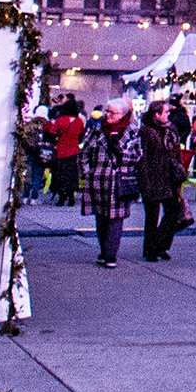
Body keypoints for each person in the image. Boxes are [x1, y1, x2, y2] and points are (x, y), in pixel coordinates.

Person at [78, 97, 144, 268]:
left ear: (123, 114)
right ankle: (104, 250)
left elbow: (138, 156)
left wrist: (120, 153)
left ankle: (110, 255)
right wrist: (87, 171)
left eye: (112, 112)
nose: (107, 115)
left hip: (119, 181)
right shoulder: (97, 130)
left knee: (116, 219)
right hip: (98, 180)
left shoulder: (133, 132)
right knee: (101, 219)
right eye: (107, 111)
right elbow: (84, 152)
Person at [137, 100, 188, 262]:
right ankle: (150, 249)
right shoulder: (146, 132)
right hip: (153, 176)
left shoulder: (170, 129)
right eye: (165, 112)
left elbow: (176, 151)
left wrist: (180, 172)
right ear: (156, 114)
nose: (168, 115)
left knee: (173, 211)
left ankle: (161, 245)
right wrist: (144, 181)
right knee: (152, 215)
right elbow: (142, 158)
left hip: (170, 176)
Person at [48, 99, 85, 206]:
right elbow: (81, 135)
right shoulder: (79, 121)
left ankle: (61, 197)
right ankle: (71, 197)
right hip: (74, 151)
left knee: (60, 174)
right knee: (72, 175)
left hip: (61, 151)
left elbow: (52, 132)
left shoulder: (61, 120)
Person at [21, 105, 49, 204]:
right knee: (38, 175)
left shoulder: (29, 125)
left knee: (28, 174)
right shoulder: (47, 126)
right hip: (41, 154)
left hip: (30, 152)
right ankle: (34, 197)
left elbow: (23, 137)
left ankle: (25, 196)